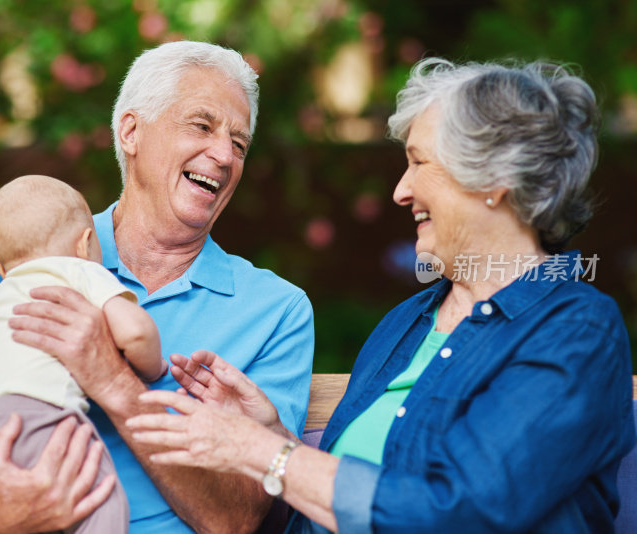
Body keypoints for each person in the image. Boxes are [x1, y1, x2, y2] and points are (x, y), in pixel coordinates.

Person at [126, 58, 636, 533]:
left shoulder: (576, 330)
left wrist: (265, 453)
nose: (400, 190)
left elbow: (463, 510)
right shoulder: (407, 323)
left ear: (495, 178)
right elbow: (352, 490)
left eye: (418, 163)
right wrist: (272, 434)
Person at [0, 41, 315, 534]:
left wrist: (112, 381)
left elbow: (238, 520)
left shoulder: (277, 310)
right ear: (131, 131)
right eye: (202, 125)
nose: (223, 155)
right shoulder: (18, 258)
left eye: (239, 143)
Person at [0, 174, 168, 533]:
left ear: (2, 269)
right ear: (85, 243)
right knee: (100, 498)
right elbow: (136, 332)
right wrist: (154, 368)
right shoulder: (77, 272)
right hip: (36, 423)